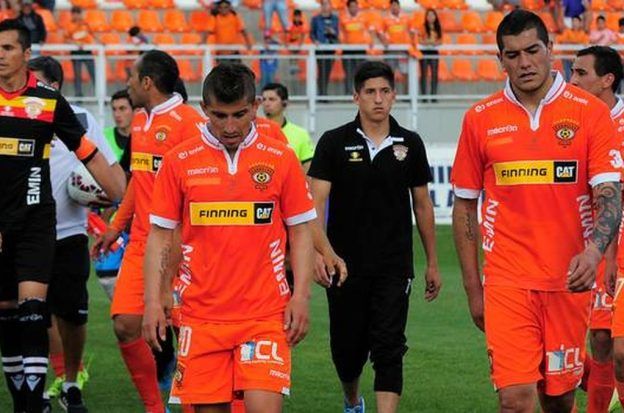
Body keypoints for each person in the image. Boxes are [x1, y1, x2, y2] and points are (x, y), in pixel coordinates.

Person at [451, 10, 622, 413]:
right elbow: (464, 207)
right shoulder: (480, 119)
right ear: (501, 60)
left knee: (558, 399)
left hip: (568, 283)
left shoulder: (589, 113)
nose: (524, 63)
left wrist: (594, 252)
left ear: (551, 50)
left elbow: (610, 196)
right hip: (507, 282)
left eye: (532, 51)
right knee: (515, 400)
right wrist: (474, 289)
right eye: (512, 55)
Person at [142, 62, 316, 413]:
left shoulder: (280, 158)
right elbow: (160, 237)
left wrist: (301, 297)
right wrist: (151, 301)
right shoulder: (179, 161)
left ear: (255, 107)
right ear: (204, 110)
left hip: (265, 316)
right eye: (220, 116)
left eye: (240, 114)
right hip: (200, 318)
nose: (231, 126)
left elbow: (300, 230)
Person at [0, 18, 124, 413]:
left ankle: (33, 405)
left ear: (26, 53)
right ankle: (24, 403)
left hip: (38, 222)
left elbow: (88, 153)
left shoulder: (49, 102)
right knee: (8, 320)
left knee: (34, 313)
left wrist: (123, 197)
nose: (0, 56)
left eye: (7, 49)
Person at [308, 61, 441, 413]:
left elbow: (423, 205)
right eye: (370, 92)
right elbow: (315, 204)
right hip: (344, 265)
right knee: (347, 349)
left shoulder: (410, 144)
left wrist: (432, 262)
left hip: (394, 266)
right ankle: (353, 401)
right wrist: (320, 254)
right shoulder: (333, 142)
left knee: (389, 345)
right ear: (356, 97)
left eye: (384, 91)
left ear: (394, 96)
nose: (378, 99)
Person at [92, 50, 205, 413]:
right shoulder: (140, 122)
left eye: (131, 76)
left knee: (185, 333)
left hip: (182, 246)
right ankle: (155, 408)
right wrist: (115, 227)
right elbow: (138, 185)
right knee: (126, 324)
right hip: (142, 242)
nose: (125, 82)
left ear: (147, 83)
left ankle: (193, 403)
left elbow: (202, 186)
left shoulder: (190, 122)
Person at [28, 55, 126, 413]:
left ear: (55, 87)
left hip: (70, 231)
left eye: (36, 83)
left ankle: (71, 381)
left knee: (73, 315)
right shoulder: (18, 113)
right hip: (26, 232)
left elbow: (107, 171)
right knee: (32, 312)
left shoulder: (81, 118)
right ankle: (38, 389)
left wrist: (99, 193)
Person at [569, 45, 624, 413]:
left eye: (580, 73)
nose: (571, 81)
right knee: (599, 342)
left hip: (621, 251)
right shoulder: (577, 121)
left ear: (607, 80)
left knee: (620, 350)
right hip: (592, 247)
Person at [261, 82, 315, 171]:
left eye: (272, 99)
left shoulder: (300, 134)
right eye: (264, 99)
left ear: (285, 103)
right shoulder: (254, 132)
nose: (266, 103)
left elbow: (308, 169)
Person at [340, 0, 376, 94]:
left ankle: (361, 94)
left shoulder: (364, 18)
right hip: (347, 50)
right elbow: (340, 33)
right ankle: (348, 94)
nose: (354, 8)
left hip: (360, 49)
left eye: (355, 6)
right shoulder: (343, 18)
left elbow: (371, 29)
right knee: (348, 73)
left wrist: (371, 40)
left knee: (361, 73)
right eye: (352, 6)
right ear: (348, 8)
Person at [64, 6, 95, 97]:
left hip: (87, 51)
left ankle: (99, 94)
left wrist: (101, 43)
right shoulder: (69, 25)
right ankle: (78, 95)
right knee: (77, 75)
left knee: (93, 73)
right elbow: (66, 39)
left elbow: (92, 34)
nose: (77, 16)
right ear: (72, 14)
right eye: (75, 14)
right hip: (76, 52)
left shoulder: (85, 24)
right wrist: (75, 43)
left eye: (78, 13)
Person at [310, 0, 339, 97]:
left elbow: (338, 34)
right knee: (321, 71)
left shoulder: (335, 19)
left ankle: (324, 93)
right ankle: (321, 94)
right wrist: (315, 41)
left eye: (327, 4)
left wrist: (333, 32)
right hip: (320, 49)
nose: (325, 6)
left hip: (331, 48)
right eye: (323, 4)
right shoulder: (315, 19)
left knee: (327, 72)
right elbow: (312, 33)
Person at [557, 15, 588, 81]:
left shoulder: (583, 34)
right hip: (567, 58)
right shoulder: (567, 31)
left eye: (576, 21)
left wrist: (571, 42)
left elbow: (585, 45)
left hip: (578, 59)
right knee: (568, 77)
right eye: (573, 21)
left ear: (580, 23)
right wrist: (576, 43)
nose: (574, 23)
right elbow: (562, 41)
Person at [420, 9, 441, 102]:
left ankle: (433, 96)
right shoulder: (423, 27)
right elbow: (420, 39)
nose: (430, 17)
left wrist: (434, 42)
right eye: (429, 15)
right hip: (424, 52)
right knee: (424, 74)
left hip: (434, 52)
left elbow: (440, 40)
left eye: (432, 15)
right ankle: (424, 97)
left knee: (434, 74)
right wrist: (428, 42)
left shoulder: (438, 27)